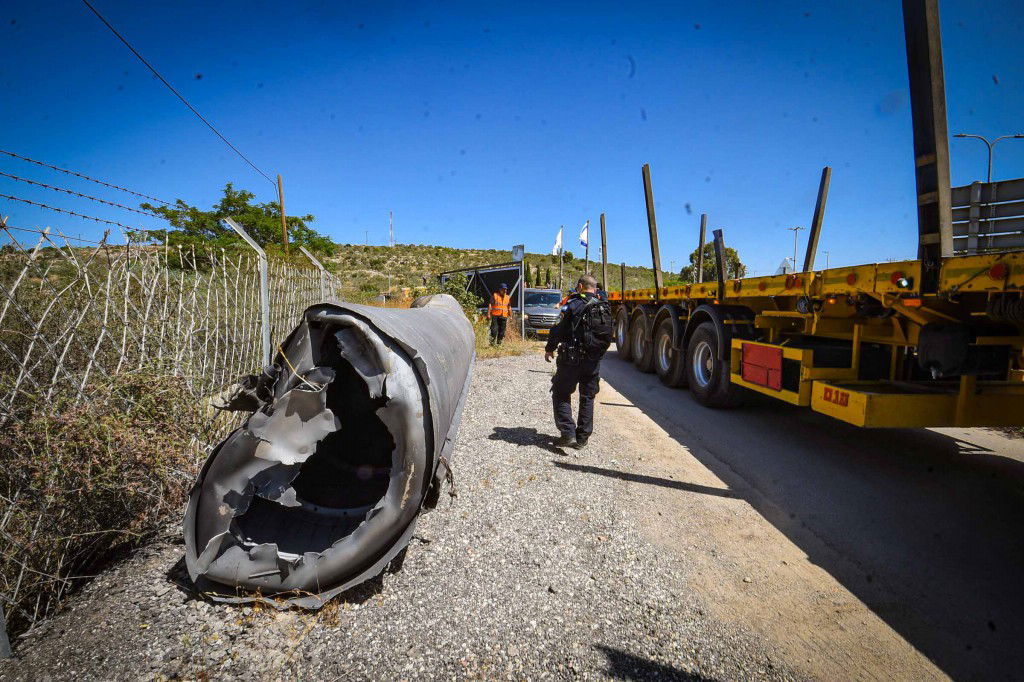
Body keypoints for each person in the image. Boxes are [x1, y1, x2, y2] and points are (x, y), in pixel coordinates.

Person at [544, 274, 613, 449]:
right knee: (587, 396)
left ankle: (568, 433)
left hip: (571, 359)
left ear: (581, 286)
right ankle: (582, 438)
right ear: (595, 289)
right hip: (593, 360)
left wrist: (549, 348)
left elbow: (558, 329)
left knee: (560, 392)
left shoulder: (572, 304)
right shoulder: (603, 307)